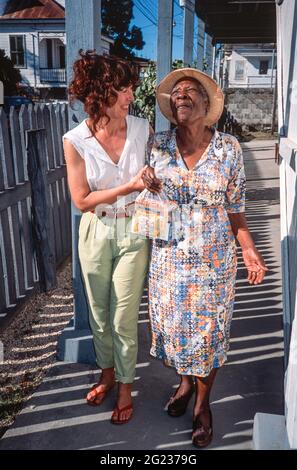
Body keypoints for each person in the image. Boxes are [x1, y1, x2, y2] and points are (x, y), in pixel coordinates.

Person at [142, 68, 268, 447]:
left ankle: (202, 403)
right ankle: (183, 384)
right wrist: (146, 180)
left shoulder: (229, 148)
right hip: (169, 259)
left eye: (190, 91)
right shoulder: (158, 144)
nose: (181, 95)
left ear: (207, 103)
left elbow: (236, 208)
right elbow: (149, 197)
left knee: (209, 336)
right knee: (178, 333)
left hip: (214, 263)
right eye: (176, 92)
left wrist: (248, 249)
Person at [63, 50, 151, 425]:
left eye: (131, 88)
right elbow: (82, 199)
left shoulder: (143, 129)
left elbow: (154, 178)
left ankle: (127, 383)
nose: (131, 96)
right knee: (99, 313)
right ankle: (107, 372)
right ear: (101, 93)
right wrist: (129, 185)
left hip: (133, 228)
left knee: (123, 315)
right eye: (125, 89)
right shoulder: (75, 139)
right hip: (96, 229)